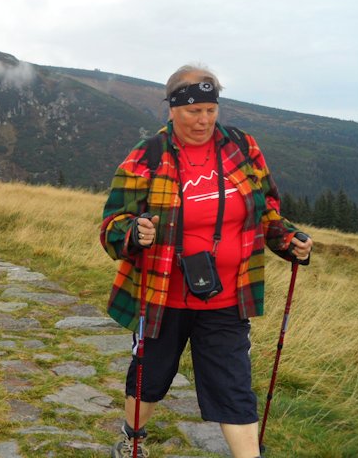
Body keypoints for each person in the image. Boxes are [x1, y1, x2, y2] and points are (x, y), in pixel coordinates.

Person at [100, 64, 313, 458]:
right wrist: (132, 232)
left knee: (233, 386)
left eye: (210, 110)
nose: (203, 121)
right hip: (164, 296)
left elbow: (265, 209)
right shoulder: (147, 155)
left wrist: (288, 238)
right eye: (192, 111)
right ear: (171, 109)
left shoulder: (242, 147)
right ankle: (132, 438)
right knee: (150, 379)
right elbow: (112, 223)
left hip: (228, 297)